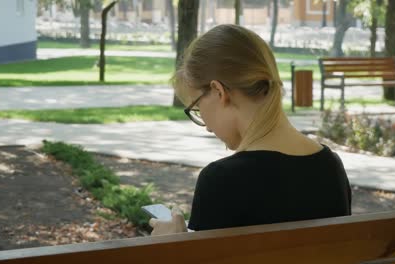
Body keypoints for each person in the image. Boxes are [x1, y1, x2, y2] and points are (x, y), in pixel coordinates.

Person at [149, 24, 351, 235]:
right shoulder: (331, 166)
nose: (207, 127)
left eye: (198, 108)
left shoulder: (221, 180)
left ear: (219, 91)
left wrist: (169, 245)